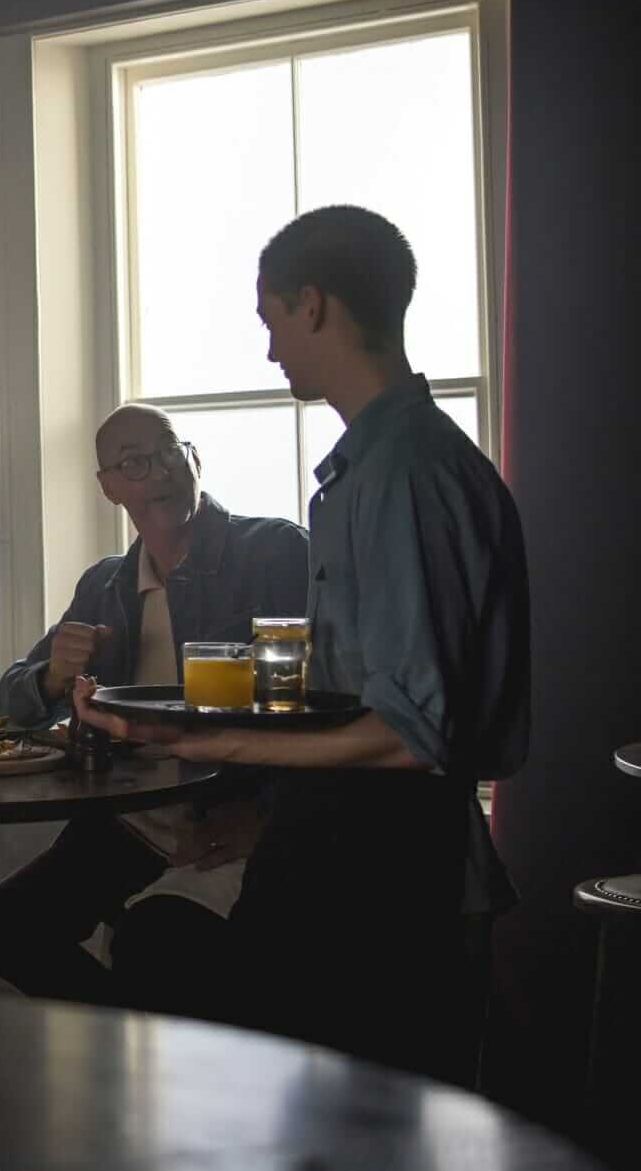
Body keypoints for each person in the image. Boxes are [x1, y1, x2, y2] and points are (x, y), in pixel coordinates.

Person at [74, 205, 530, 1083]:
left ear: (312, 305)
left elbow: (414, 730)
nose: (272, 350)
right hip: (342, 868)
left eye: (272, 322)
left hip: (382, 886)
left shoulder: (402, 473)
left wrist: (203, 738)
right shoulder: (375, 467)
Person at [0, 404, 309, 1013]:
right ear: (110, 488)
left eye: (169, 450)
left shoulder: (274, 553)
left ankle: (139, 1062)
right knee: (0, 926)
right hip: (127, 824)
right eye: (133, 462)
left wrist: (269, 816)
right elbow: (12, 702)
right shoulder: (104, 586)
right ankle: (125, 1047)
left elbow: (308, 704)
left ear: (193, 458)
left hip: (231, 816)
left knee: (156, 946)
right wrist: (52, 674)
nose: (159, 473)